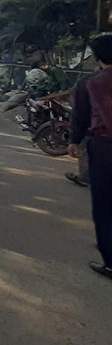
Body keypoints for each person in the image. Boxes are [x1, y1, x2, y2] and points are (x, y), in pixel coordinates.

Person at [68, 34, 112, 281]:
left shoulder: (90, 82)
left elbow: (81, 115)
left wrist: (74, 141)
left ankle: (110, 259)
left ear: (96, 57)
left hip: (104, 148)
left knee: (104, 204)